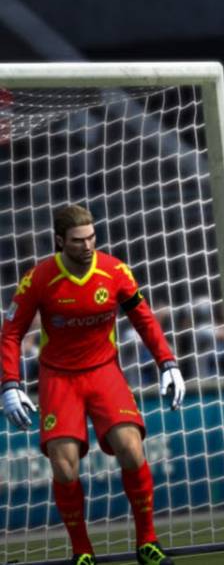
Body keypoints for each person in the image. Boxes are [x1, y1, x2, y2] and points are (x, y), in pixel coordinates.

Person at [1, 204, 185, 565]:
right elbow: (10, 333)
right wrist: (10, 384)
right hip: (58, 377)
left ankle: (147, 543)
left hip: (104, 371)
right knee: (64, 466)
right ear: (59, 241)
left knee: (131, 448)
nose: (87, 246)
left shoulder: (114, 271)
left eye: (91, 238)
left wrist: (168, 363)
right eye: (78, 240)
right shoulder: (38, 279)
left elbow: (144, 318)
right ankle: (83, 551)